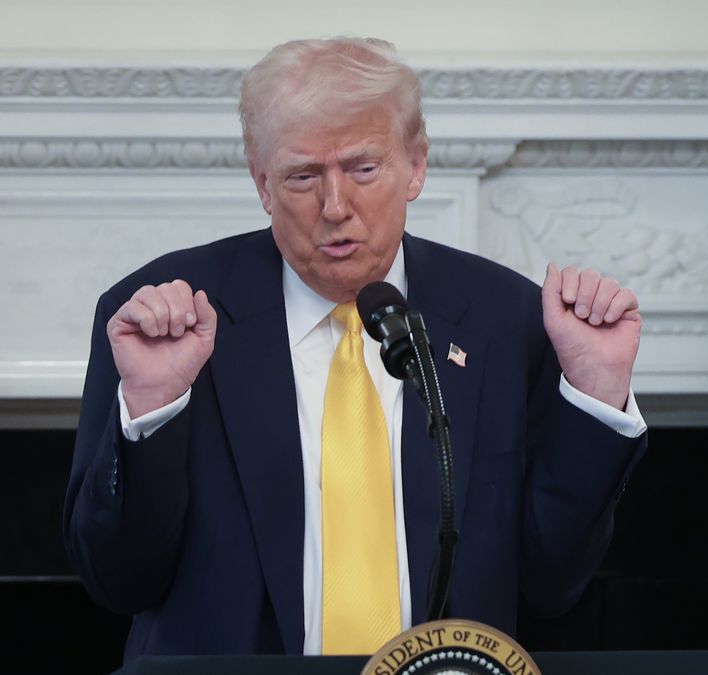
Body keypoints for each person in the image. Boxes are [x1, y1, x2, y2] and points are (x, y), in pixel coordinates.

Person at [63, 37, 647, 660]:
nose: (335, 207)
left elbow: (550, 586)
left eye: (363, 169)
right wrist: (154, 406)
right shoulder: (162, 321)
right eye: (303, 176)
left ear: (416, 166)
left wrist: (594, 394)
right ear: (262, 183)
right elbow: (116, 581)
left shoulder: (506, 321)